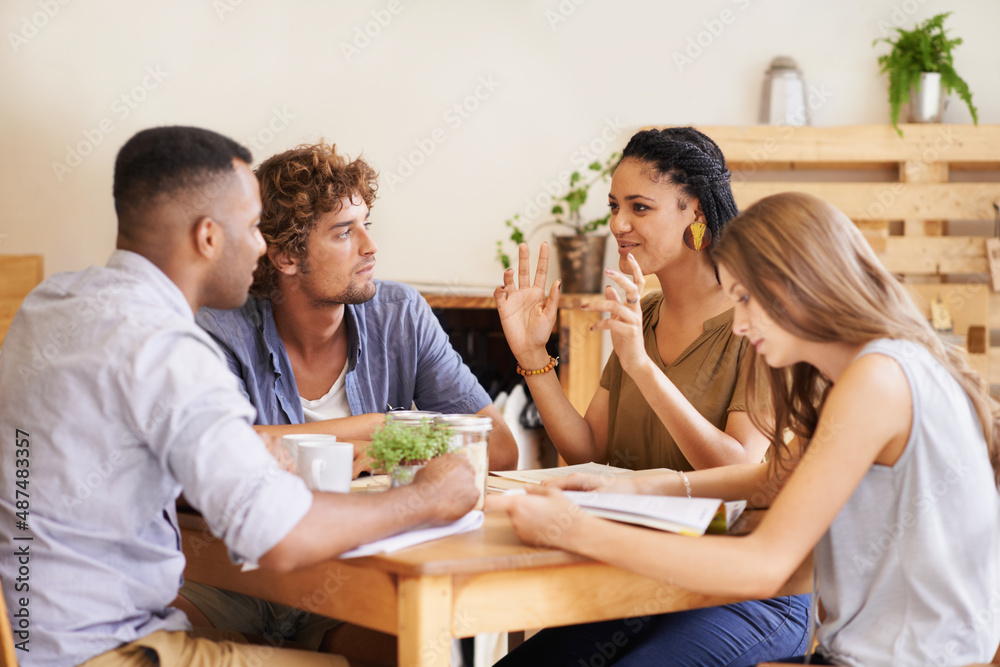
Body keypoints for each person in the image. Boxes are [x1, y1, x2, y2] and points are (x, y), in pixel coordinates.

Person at [0, 126, 478, 667]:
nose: (262, 247)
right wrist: (428, 498)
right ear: (208, 237)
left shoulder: (50, 303)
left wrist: (244, 451)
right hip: (113, 653)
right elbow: (278, 535)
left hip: (28, 643)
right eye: (252, 228)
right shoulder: (167, 347)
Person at [499, 192, 1000, 666]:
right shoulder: (875, 370)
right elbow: (779, 477)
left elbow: (767, 566)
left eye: (744, 299)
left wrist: (578, 529)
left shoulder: (877, 381)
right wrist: (637, 487)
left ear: (796, 285)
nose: (738, 323)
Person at [178, 140, 516, 659]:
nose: (369, 246)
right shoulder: (218, 327)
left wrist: (383, 445)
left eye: (366, 226)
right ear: (286, 255)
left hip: (349, 586)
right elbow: (215, 458)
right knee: (156, 646)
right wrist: (374, 428)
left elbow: (499, 448)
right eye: (343, 232)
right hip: (235, 579)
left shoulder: (401, 314)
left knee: (421, 652)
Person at [493, 127, 809, 665]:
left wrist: (641, 366)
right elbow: (589, 449)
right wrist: (532, 357)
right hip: (648, 574)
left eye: (640, 207)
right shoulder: (646, 312)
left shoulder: (755, 318)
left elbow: (734, 470)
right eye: (615, 206)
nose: (618, 224)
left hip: (749, 586)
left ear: (695, 212)